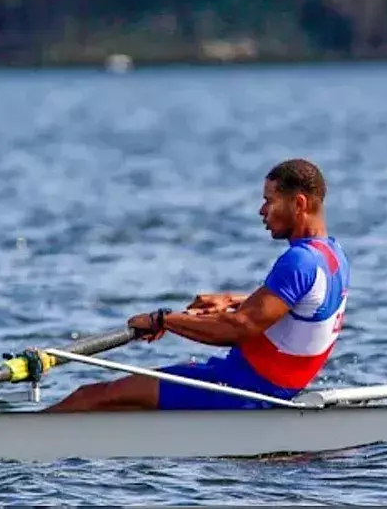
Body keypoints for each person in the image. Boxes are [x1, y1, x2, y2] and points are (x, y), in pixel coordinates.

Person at [45, 158, 349, 412]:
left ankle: (17, 450)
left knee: (91, 396)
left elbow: (237, 329)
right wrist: (231, 300)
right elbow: (302, 305)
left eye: (268, 201)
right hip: (263, 386)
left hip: (243, 390)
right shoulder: (331, 255)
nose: (261, 211)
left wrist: (163, 320)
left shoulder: (299, 261)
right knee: (124, 402)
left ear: (299, 204)